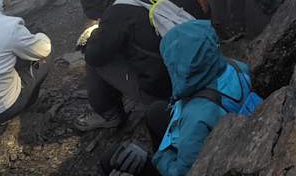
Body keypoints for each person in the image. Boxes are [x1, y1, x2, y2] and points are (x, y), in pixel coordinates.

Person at [98, 21, 257, 176]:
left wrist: (157, 158)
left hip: (204, 155)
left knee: (112, 157)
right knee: (155, 111)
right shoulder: (237, 66)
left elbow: (183, 171)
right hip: (230, 127)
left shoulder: (196, 117)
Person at [74, 0, 205, 132]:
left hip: (163, 87)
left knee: (93, 61)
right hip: (188, 65)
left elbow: (95, 56)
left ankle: (109, 114)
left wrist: (94, 35)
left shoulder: (115, 14)